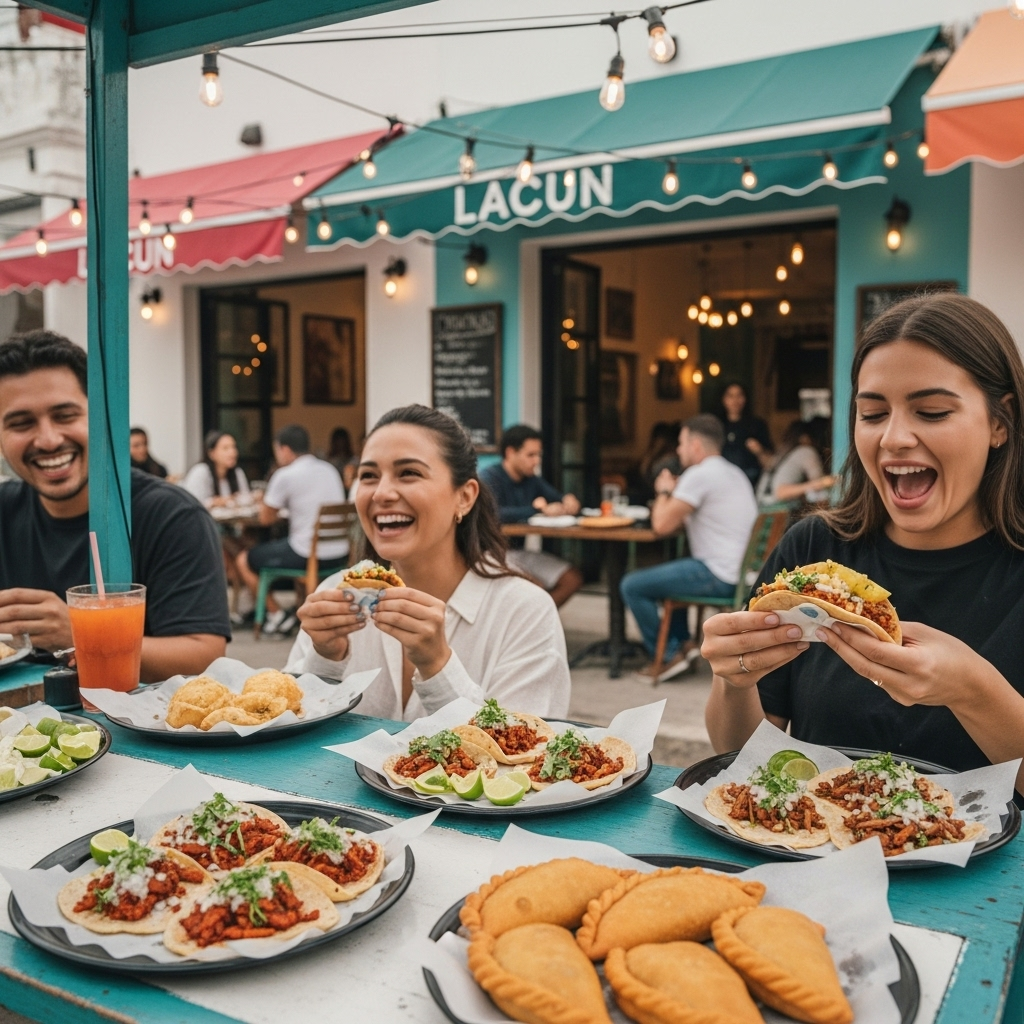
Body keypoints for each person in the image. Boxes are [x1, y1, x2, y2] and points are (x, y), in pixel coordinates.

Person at [703, 294, 1024, 796]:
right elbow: (742, 756)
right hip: (816, 859)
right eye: (872, 414)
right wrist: (733, 677)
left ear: (1000, 423)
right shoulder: (814, 551)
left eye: (933, 412)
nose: (894, 438)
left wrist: (974, 692)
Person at [285, 405, 571, 721]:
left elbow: (523, 754)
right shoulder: (336, 595)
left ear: (464, 497)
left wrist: (437, 665)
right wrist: (326, 657)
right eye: (369, 476)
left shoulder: (524, 612)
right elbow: (289, 727)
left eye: (409, 473)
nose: (381, 493)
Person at [0, 330, 230, 680]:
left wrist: (81, 633)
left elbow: (203, 657)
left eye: (65, 415)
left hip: (136, 724)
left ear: (100, 416)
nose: (47, 439)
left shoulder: (170, 515)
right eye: (21, 423)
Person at [621, 414, 757, 681]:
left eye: (681, 444)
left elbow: (661, 525)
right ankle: (684, 644)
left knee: (632, 585)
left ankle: (670, 653)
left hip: (718, 574)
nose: (679, 450)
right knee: (676, 570)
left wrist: (663, 490)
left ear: (695, 445)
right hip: (740, 573)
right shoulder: (734, 472)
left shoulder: (700, 474)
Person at [236, 424, 346, 636]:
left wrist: (263, 500)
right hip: (339, 553)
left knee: (244, 559)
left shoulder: (285, 475)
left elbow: (266, 519)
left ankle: (277, 615)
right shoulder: (328, 469)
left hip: (307, 554)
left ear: (284, 450)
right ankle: (296, 611)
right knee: (289, 542)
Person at [479, 424, 584, 608]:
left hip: (520, 554)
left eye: (538, 455)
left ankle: (539, 621)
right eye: (530, 455)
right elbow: (492, 514)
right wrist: (537, 510)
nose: (536, 461)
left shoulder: (531, 480)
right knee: (537, 589)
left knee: (572, 579)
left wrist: (568, 499)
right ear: (511, 452)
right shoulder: (488, 478)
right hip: (490, 555)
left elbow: (556, 497)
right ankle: (533, 623)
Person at [755, 419, 836, 509]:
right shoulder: (806, 451)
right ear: (806, 437)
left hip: (760, 509)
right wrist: (821, 483)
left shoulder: (782, 452)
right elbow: (820, 483)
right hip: (778, 511)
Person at [717, 382, 773, 485]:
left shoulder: (757, 425)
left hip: (750, 480)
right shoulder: (717, 425)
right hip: (722, 480)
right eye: (730, 396)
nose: (735, 400)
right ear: (723, 399)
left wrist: (759, 451)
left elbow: (770, 462)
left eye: (739, 395)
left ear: (745, 399)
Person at [180, 430, 251, 508]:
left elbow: (245, 498)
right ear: (211, 453)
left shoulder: (237, 472)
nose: (232, 452)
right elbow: (191, 503)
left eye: (234, 447)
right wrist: (214, 502)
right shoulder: (201, 471)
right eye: (225, 448)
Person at [326, 426, 359, 494]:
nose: (340, 444)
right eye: (338, 441)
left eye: (342, 441)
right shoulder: (329, 463)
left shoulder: (354, 461)